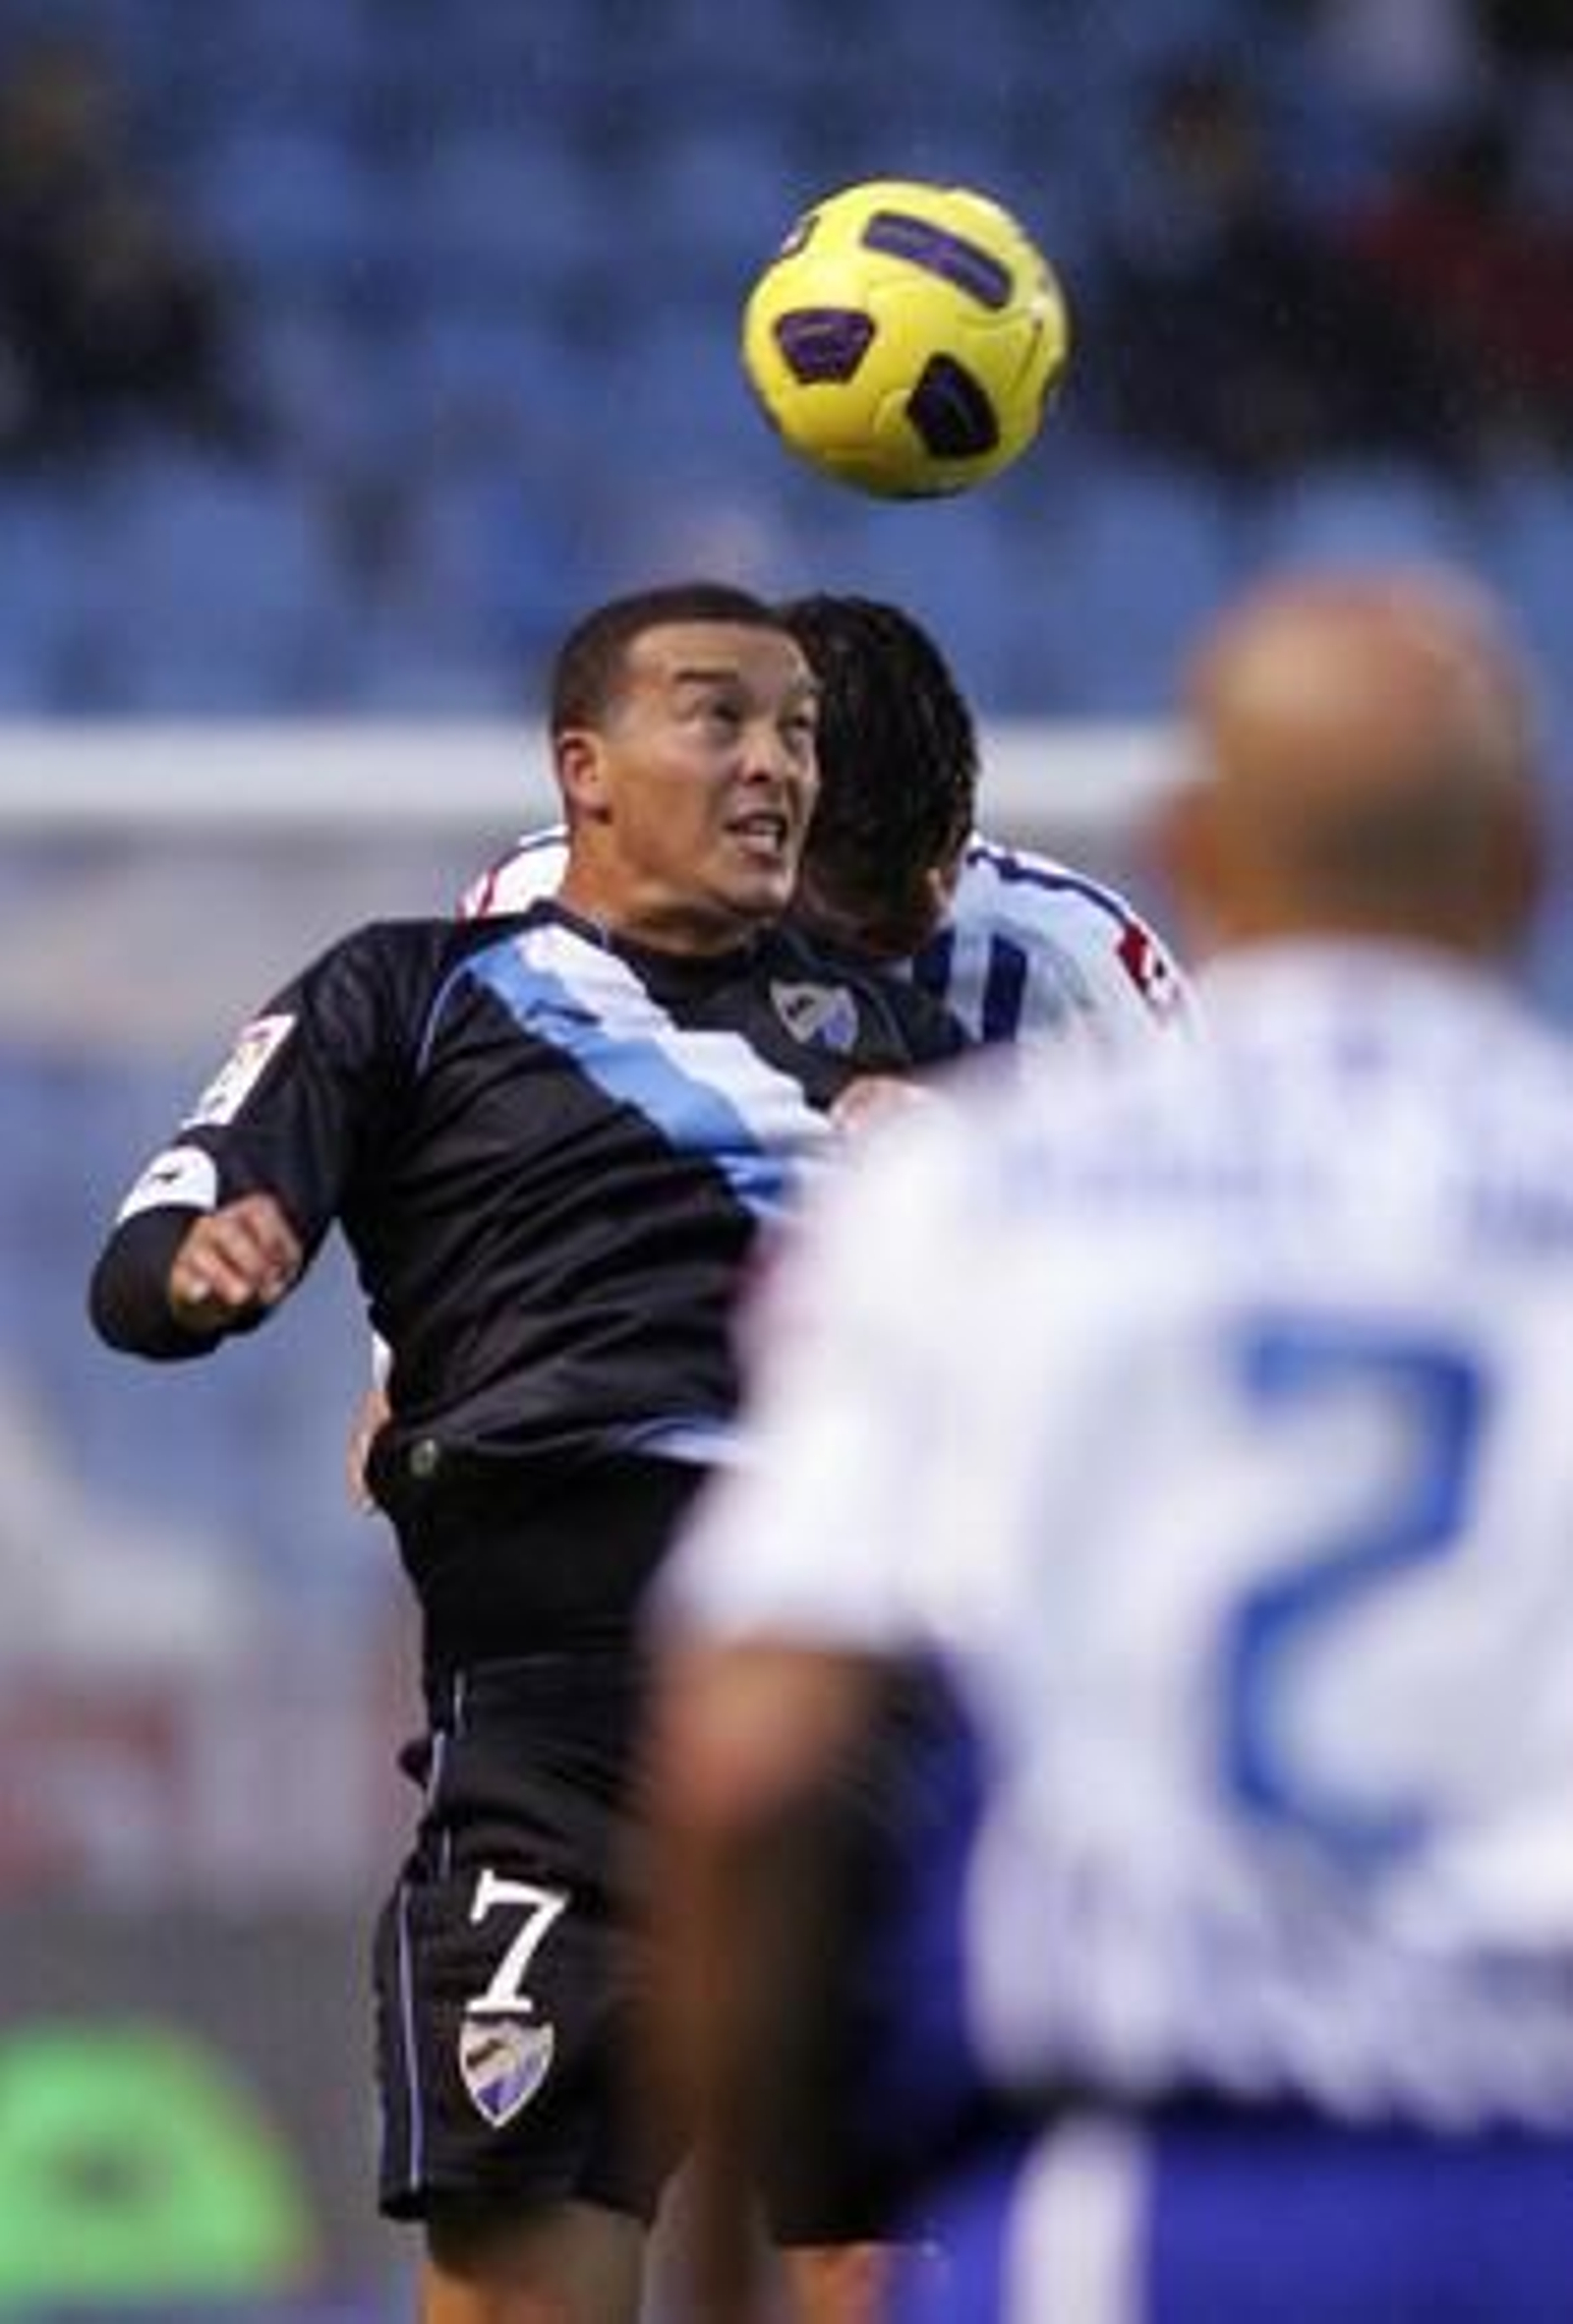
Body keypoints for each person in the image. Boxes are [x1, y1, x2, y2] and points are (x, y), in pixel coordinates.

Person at [644, 564, 1573, 2322]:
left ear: (1193, 851)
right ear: (1531, 857)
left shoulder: (985, 1186)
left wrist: (713, 2277)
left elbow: (751, 1757)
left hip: (1135, 2193)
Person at [87, 579, 967, 2324]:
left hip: (850, 1711)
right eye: (718, 717)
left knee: (893, 2267)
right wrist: (208, 1269)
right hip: (554, 1737)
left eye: (795, 729)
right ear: (586, 764)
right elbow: (150, 1246)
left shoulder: (897, 1051)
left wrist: (961, 1173)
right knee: (522, 2288)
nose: (772, 763)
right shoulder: (412, 993)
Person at [458, 592, 1192, 1054]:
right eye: (861, 921)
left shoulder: (1076, 963)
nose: (933, 905)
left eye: (947, 858)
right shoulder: (542, 919)